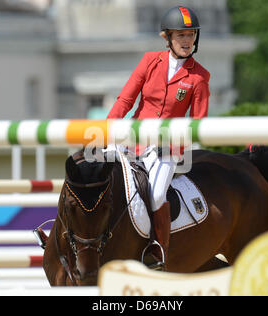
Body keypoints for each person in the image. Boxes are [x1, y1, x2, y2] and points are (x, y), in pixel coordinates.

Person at [106, 6, 211, 269]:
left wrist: (178, 146)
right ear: (167, 38)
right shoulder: (149, 61)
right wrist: (107, 129)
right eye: (181, 35)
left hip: (168, 148)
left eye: (191, 35)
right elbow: (126, 99)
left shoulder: (199, 77)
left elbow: (197, 123)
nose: (187, 41)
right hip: (133, 139)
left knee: (154, 194)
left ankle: (159, 249)